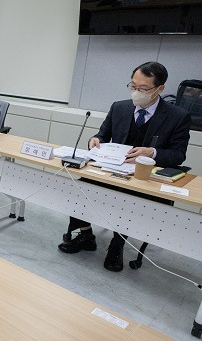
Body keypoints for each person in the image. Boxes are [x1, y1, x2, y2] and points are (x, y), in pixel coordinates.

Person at [57, 62, 191, 272]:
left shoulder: (177, 116)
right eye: (133, 86)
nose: (136, 92)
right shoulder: (119, 107)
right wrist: (95, 139)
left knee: (131, 199)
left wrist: (152, 153)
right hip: (112, 171)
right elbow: (103, 135)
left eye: (143, 89)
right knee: (78, 185)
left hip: (144, 179)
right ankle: (85, 234)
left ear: (160, 89)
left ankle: (117, 245)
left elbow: (178, 154)